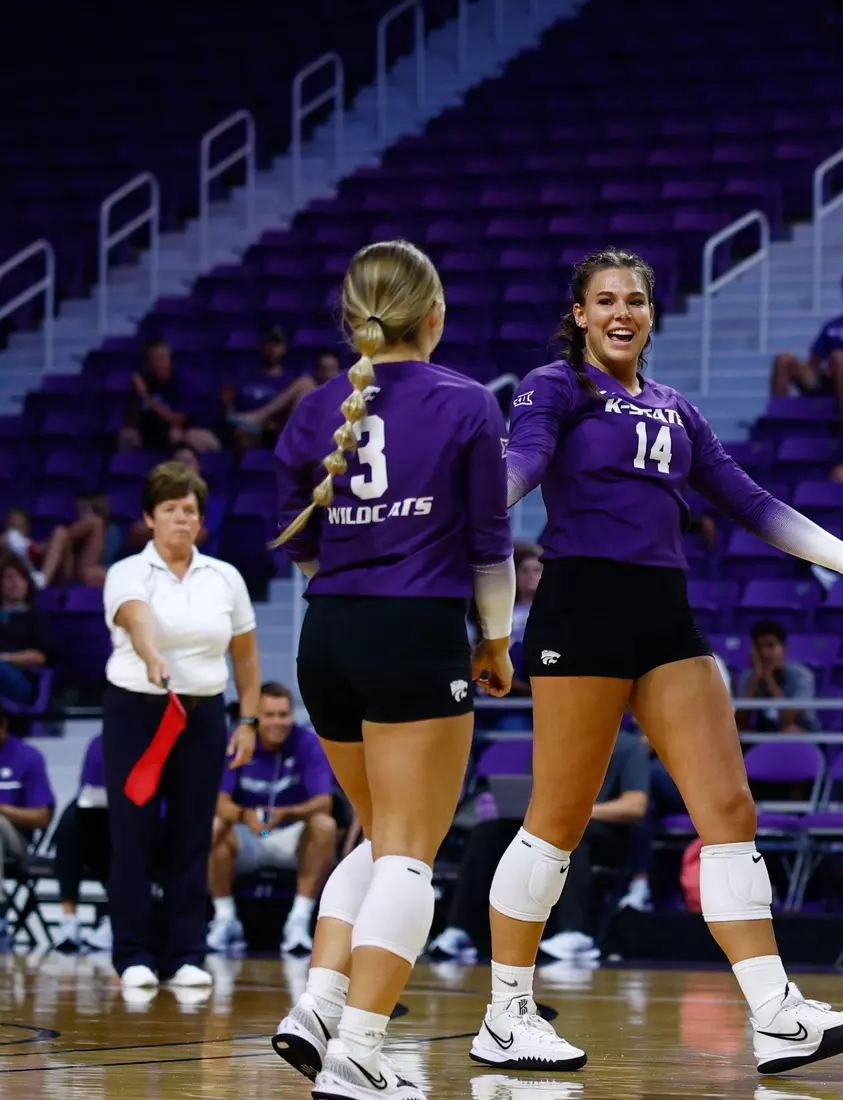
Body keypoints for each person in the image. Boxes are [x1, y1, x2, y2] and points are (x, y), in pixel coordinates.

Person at [491, 248, 843, 1076]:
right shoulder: (554, 384)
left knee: (729, 808)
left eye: (637, 301)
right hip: (581, 608)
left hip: (665, 615)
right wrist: (474, 510)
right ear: (579, 313)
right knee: (557, 821)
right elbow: (525, 463)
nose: (623, 313)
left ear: (652, 314)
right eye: (606, 300)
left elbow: (750, 500)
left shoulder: (675, 407)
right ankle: (508, 1010)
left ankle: (777, 1014)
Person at [267, 239, 518, 1099]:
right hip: (415, 635)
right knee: (411, 853)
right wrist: (494, 642)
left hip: (326, 636)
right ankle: (359, 1051)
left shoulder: (312, 410)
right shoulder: (467, 403)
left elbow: (297, 548)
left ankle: (319, 1003)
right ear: (435, 316)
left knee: (378, 836)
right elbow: (492, 548)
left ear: (354, 319)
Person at [100, 460, 260, 991]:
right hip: (137, 711)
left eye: (189, 511)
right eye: (170, 510)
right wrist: (152, 657)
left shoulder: (224, 577)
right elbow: (136, 617)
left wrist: (249, 719)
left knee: (196, 830)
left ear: (201, 519)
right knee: (134, 832)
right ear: (149, 517)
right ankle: (133, 953)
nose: (181, 520)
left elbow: (246, 658)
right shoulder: (128, 570)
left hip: (203, 714)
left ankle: (188, 951)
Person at [429, 729, 652, 966]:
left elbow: (636, 805)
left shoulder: (628, 747)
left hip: (603, 830)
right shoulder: (552, 742)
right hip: (550, 824)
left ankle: (575, 932)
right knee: (486, 834)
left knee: (569, 835)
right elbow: (530, 793)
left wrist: (578, 813)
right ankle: (460, 929)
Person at [207, 683, 339, 957]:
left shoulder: (308, 742)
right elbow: (219, 802)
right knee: (214, 825)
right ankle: (225, 919)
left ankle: (299, 922)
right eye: (270, 715)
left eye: (284, 714)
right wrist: (244, 815)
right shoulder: (238, 741)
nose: (278, 722)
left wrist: (286, 813)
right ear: (255, 718)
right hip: (248, 834)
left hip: (291, 834)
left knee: (324, 825)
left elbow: (324, 801)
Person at [768, 270, 843, 411]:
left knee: (839, 358)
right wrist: (824, 369)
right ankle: (777, 415)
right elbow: (815, 361)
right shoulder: (831, 326)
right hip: (829, 377)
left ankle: (842, 415)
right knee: (783, 359)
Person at [50, 735, 114, 954]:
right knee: (70, 822)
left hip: (152, 822)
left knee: (125, 836)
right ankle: (69, 920)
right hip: (103, 820)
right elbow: (88, 789)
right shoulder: (98, 742)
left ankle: (118, 917)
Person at [0, 708, 53, 948]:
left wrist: (3, 809)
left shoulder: (27, 756)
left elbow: (42, 817)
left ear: (3, 724)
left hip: (16, 841)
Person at [119, 339, 222, 455]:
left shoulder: (182, 383)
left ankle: (174, 471)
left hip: (194, 432)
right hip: (156, 432)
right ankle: (132, 471)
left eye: (161, 358)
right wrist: (136, 396)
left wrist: (145, 396)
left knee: (175, 435)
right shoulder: (144, 382)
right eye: (152, 359)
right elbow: (130, 421)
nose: (157, 363)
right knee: (128, 435)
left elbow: (177, 421)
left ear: (169, 360)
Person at [738, 621, 819, 734]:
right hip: (765, 732)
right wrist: (755, 681)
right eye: (758, 647)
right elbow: (739, 722)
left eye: (770, 645)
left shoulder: (802, 676)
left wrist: (769, 678)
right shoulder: (748, 677)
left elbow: (789, 719)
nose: (764, 652)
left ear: (784, 650)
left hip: (803, 731)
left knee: (790, 732)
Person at [0, 553, 49, 706]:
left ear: (27, 584)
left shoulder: (35, 618)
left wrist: (4, 658)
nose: (15, 583)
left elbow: (40, 657)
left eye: (20, 578)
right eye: (9, 577)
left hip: (20, 680)